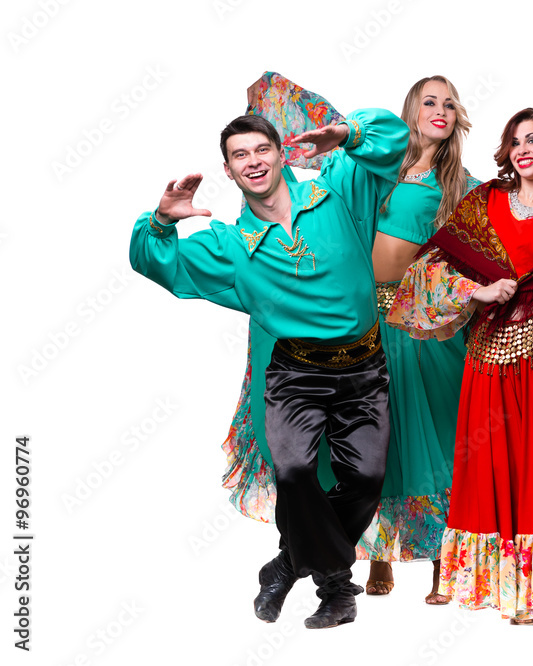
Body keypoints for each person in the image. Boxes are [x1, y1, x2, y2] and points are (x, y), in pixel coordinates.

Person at [129, 103, 409, 629]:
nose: (253, 161)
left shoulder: (338, 192)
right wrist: (162, 220)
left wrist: (348, 133)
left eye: (261, 149)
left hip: (364, 369)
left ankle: (285, 563)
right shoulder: (231, 246)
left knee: (367, 480)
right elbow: (152, 262)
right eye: (240, 156)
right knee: (296, 472)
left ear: (282, 155)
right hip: (295, 376)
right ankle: (335, 588)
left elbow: (395, 140)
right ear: (230, 172)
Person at [222, 72, 478, 604]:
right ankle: (378, 549)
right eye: (429, 101)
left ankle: (440, 556)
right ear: (410, 110)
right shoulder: (365, 164)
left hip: (419, 325)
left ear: (457, 120)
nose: (440, 110)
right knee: (368, 447)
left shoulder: (460, 184)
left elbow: (477, 246)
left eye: (450, 105)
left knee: (430, 443)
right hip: (361, 325)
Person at [386, 107, 533, 625]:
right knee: (490, 470)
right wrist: (479, 289)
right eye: (515, 141)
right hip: (484, 362)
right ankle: (502, 587)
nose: (522, 149)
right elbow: (432, 268)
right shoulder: (485, 201)